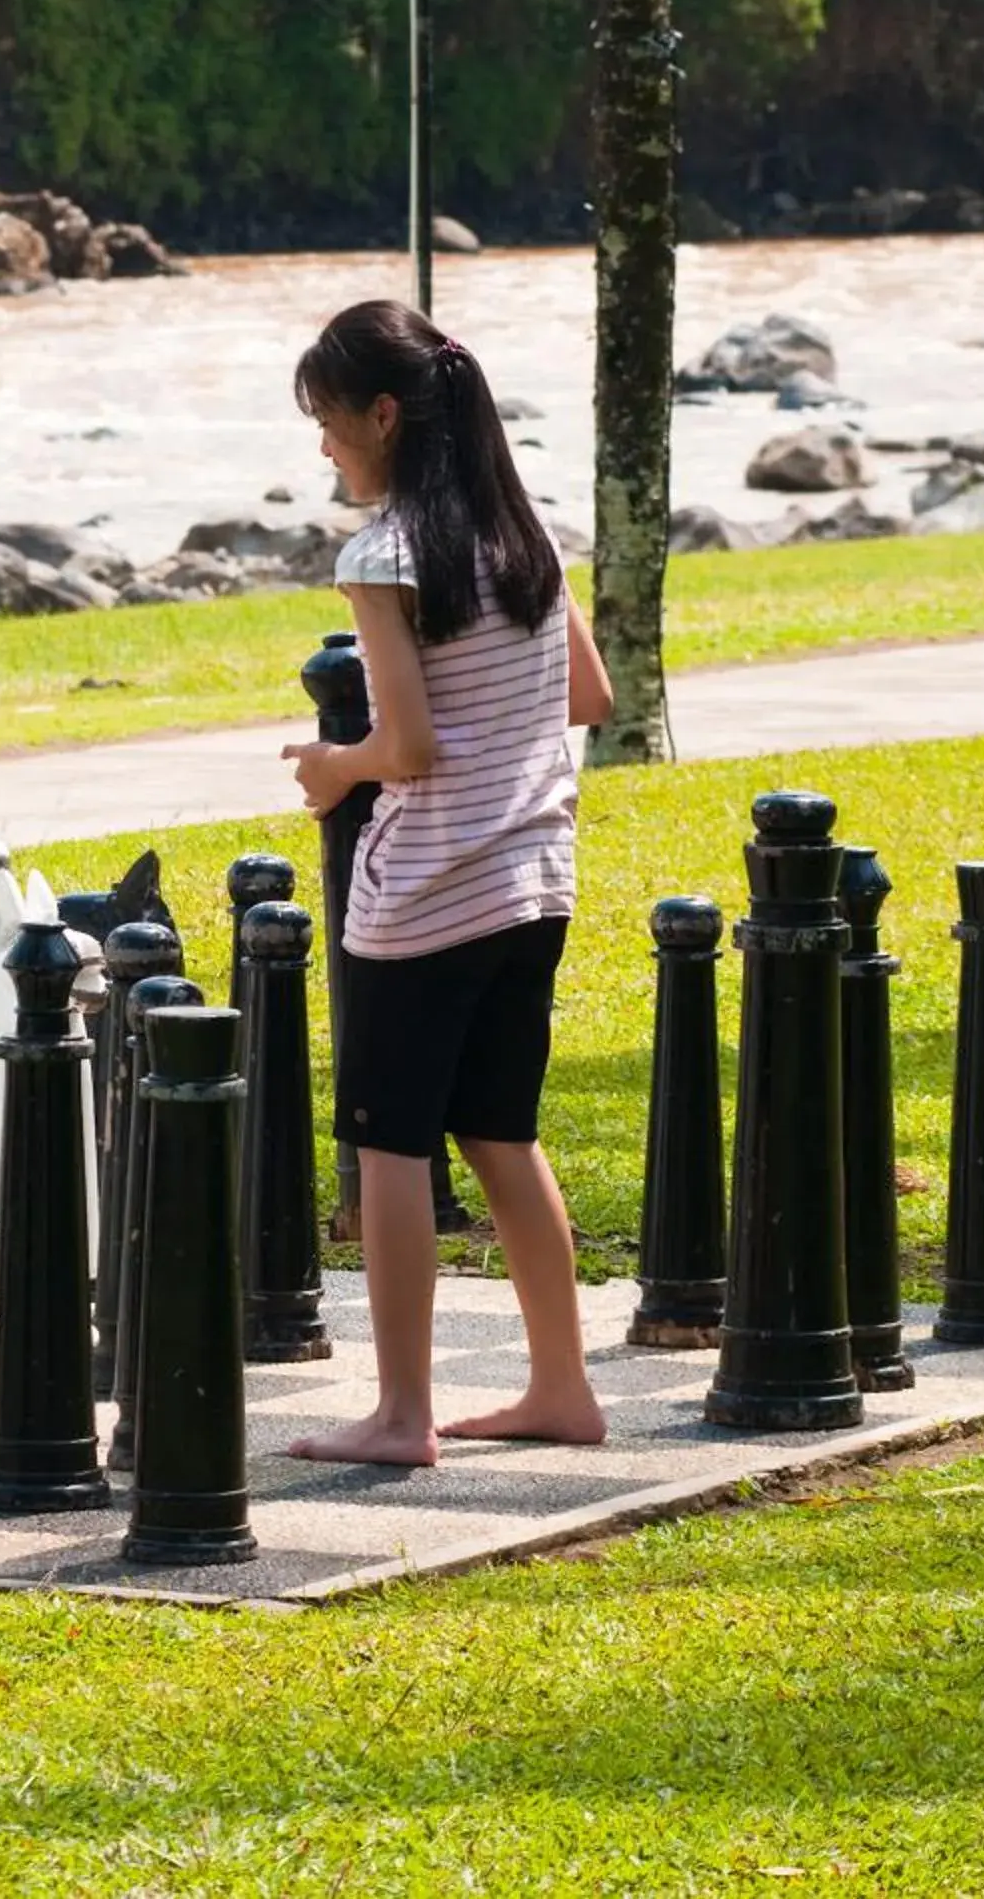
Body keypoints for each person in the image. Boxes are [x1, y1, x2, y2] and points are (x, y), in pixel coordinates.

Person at [281, 297, 613, 1466]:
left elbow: (406, 747)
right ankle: (561, 1387)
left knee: (391, 1151)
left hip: (421, 898)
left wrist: (333, 767)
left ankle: (402, 1413)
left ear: (384, 414)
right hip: (532, 885)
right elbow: (589, 700)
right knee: (502, 1137)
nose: (323, 449)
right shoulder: (525, 539)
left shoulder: (383, 555)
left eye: (329, 424)